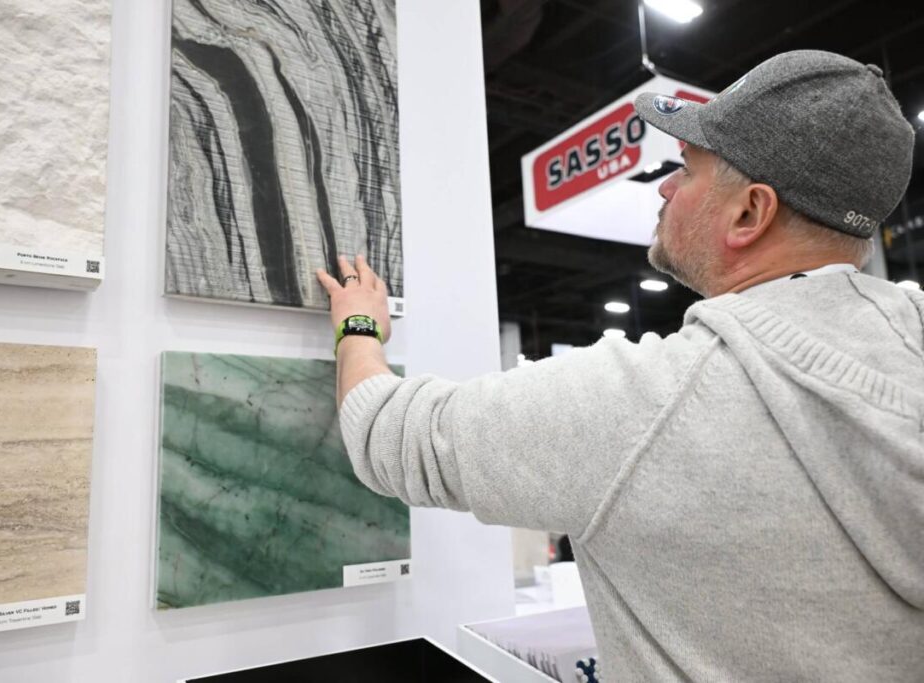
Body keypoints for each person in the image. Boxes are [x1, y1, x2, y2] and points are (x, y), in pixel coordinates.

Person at [316, 50, 924, 681]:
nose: (665, 187)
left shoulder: (650, 403)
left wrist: (358, 326)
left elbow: (391, 434)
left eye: (686, 169)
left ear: (749, 212)